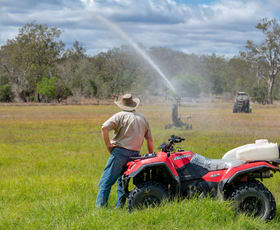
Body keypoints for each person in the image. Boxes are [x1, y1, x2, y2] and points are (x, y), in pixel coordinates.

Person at [95, 93, 154, 208]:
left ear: (122, 105)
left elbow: (104, 127)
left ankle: (100, 208)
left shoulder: (120, 115)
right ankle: (119, 207)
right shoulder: (142, 118)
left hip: (120, 153)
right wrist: (150, 155)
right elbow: (149, 139)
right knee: (122, 182)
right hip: (135, 155)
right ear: (134, 105)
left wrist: (108, 145)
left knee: (105, 182)